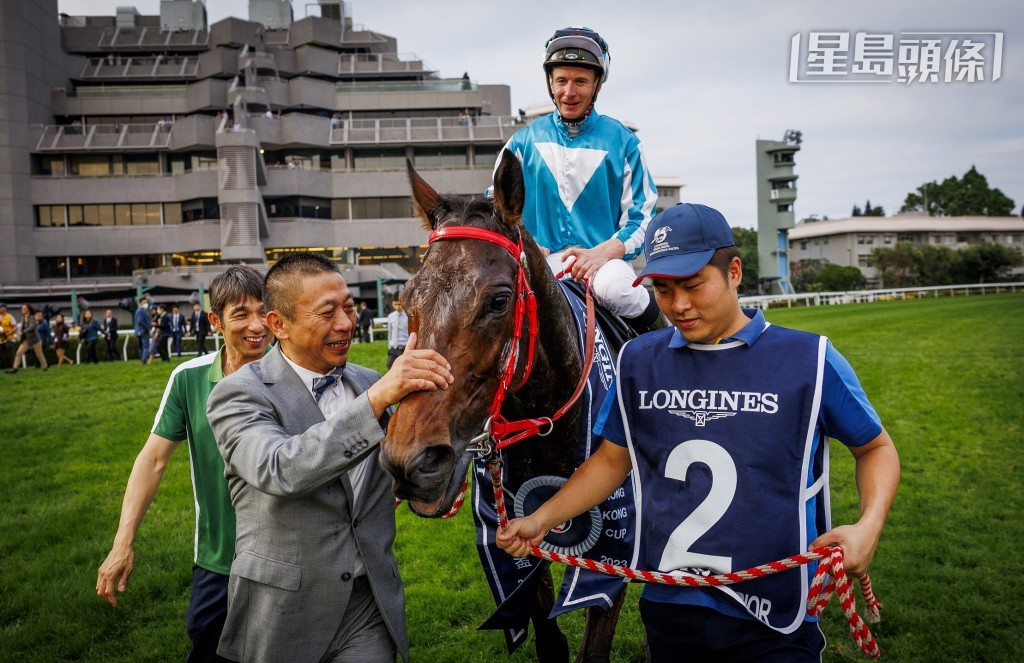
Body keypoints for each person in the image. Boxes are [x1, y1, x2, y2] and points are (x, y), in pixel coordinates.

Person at [498, 203, 901, 662]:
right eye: (664, 290)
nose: (679, 305)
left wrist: (869, 526)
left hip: (775, 616)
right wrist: (540, 520)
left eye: (693, 286)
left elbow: (875, 447)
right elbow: (612, 460)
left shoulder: (808, 359)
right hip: (671, 607)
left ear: (734, 272)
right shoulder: (638, 361)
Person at [206, 252, 454, 663]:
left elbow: (408, 467)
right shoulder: (237, 394)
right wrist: (377, 401)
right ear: (278, 325)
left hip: (367, 605)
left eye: (349, 307)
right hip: (284, 610)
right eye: (327, 312)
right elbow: (279, 468)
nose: (345, 323)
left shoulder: (368, 382)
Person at [97, 266, 270, 663]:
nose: (257, 325)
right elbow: (153, 460)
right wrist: (122, 543)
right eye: (241, 314)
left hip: (287, 557)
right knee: (208, 649)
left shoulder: (297, 372)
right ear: (215, 320)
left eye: (263, 311)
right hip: (217, 557)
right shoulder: (188, 378)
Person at [496, 26, 661, 332]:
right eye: (561, 81)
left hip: (603, 264)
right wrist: (525, 242)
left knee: (618, 289)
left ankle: (665, 349)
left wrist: (604, 251)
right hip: (537, 263)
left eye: (580, 81)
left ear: (597, 84)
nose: (569, 92)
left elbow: (643, 219)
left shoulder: (624, 142)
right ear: (550, 82)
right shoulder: (520, 144)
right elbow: (496, 209)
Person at [7, 304, 48, 373]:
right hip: (26, 339)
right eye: (22, 308)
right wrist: (19, 332)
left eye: (25, 308)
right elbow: (22, 327)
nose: (23, 309)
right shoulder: (23, 317)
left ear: (28, 309)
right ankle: (15, 368)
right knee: (19, 353)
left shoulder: (32, 317)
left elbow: (32, 327)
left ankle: (45, 367)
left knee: (39, 355)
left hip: (35, 340)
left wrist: (23, 332)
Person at [385, 298, 409, 370]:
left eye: (399, 304)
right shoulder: (391, 316)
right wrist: (390, 345)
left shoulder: (409, 316)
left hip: (405, 347)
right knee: (390, 366)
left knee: (405, 369)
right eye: (395, 304)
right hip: (394, 347)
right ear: (392, 304)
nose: (397, 307)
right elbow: (390, 332)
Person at [135, 297, 152, 365]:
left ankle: (142, 360)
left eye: (146, 302)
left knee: (141, 347)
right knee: (146, 347)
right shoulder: (141, 311)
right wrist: (148, 328)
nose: (145, 304)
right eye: (144, 302)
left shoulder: (138, 311)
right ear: (140, 303)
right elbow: (140, 321)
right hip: (143, 331)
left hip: (138, 332)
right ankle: (143, 360)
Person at [0, 301, 16, 368]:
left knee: (11, 354)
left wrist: (9, 333)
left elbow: (15, 327)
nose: (0, 309)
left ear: (5, 308)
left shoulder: (10, 317)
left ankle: (14, 367)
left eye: (1, 307)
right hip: (0, 339)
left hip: (9, 338)